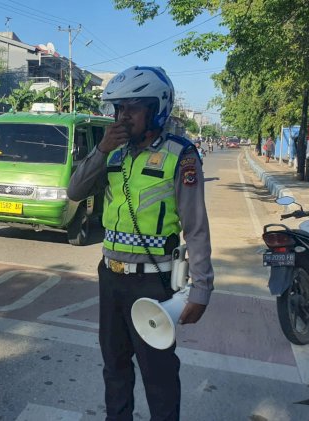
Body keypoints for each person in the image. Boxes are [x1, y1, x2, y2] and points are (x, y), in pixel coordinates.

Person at [67, 66, 214, 421]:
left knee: (158, 373)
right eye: (118, 109)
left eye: (132, 108)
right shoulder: (113, 154)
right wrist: (101, 150)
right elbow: (74, 191)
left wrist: (202, 288)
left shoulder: (181, 155)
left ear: (156, 108)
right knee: (114, 367)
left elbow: (196, 226)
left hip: (153, 282)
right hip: (111, 277)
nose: (123, 116)